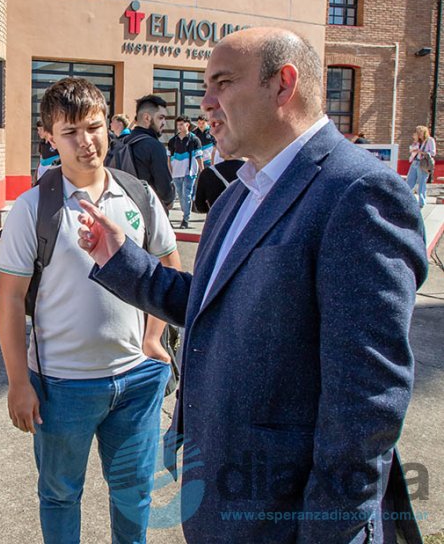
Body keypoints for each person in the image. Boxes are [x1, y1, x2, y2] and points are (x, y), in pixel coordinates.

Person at [76, 27, 427, 543]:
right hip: (218, 498)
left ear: (282, 85)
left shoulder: (360, 194)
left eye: (222, 83)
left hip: (286, 519)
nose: (206, 102)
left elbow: (366, 402)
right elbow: (213, 307)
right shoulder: (237, 195)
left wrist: (330, 531)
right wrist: (122, 259)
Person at [0, 77, 181, 544]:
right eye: (71, 132)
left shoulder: (138, 196)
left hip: (137, 382)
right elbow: (11, 300)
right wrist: (20, 383)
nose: (86, 142)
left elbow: (167, 264)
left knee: (134, 492)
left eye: (94, 127)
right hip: (62, 387)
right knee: (60, 494)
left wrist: (154, 339)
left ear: (109, 127)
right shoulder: (33, 207)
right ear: (48, 136)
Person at [125, 94, 175, 211]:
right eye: (160, 118)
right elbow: (165, 191)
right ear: (147, 118)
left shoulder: (123, 142)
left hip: (124, 210)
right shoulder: (154, 146)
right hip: (147, 213)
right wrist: (169, 199)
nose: (164, 123)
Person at [167, 116, 204, 229]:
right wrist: (170, 170)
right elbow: (169, 158)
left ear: (187, 125)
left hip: (190, 172)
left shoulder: (194, 140)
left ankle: (185, 219)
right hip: (176, 173)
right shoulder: (173, 141)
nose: (179, 127)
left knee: (186, 194)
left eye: (181, 124)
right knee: (180, 195)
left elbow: (199, 157)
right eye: (178, 125)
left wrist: (202, 171)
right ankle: (185, 213)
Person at [406, 125, 436, 208]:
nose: (417, 133)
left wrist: (421, 152)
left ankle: (421, 202)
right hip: (415, 162)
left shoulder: (430, 140)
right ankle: (406, 200)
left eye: (419, 131)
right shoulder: (418, 141)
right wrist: (413, 149)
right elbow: (412, 149)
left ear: (423, 132)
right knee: (409, 182)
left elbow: (433, 153)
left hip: (423, 164)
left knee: (421, 183)